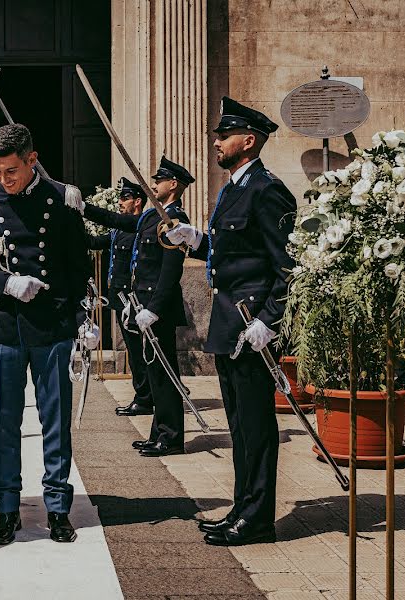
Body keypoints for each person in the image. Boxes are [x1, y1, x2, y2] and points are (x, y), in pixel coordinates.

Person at [165, 97, 296, 546]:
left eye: (224, 135)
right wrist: (196, 240)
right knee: (240, 427)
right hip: (229, 325)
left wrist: (269, 320)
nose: (217, 142)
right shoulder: (234, 188)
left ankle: (257, 520)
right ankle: (243, 508)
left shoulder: (266, 189)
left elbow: (287, 266)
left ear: (249, 139)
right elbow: (233, 252)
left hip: (251, 327)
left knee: (257, 428)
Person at [0, 124, 91, 545]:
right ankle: (9, 506)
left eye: (11, 170)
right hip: (2, 326)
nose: (3, 180)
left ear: (32, 159)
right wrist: (4, 283)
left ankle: (57, 507)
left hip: (50, 325)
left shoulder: (62, 198)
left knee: (55, 420)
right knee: (7, 420)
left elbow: (76, 265)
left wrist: (77, 315)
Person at [83, 157, 195, 457]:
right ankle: (159, 432)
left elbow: (171, 271)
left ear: (173, 185)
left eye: (159, 180)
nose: (153, 184)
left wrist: (154, 308)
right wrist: (82, 208)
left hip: (157, 310)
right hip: (142, 306)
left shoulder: (175, 220)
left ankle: (171, 437)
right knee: (155, 373)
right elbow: (118, 222)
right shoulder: (150, 217)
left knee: (165, 373)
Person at [85, 177, 154, 418]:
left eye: (124, 198)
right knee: (134, 350)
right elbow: (94, 242)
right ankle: (143, 395)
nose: (120, 203)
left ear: (137, 201)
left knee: (138, 351)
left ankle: (145, 398)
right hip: (120, 299)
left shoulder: (138, 225)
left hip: (133, 300)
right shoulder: (118, 231)